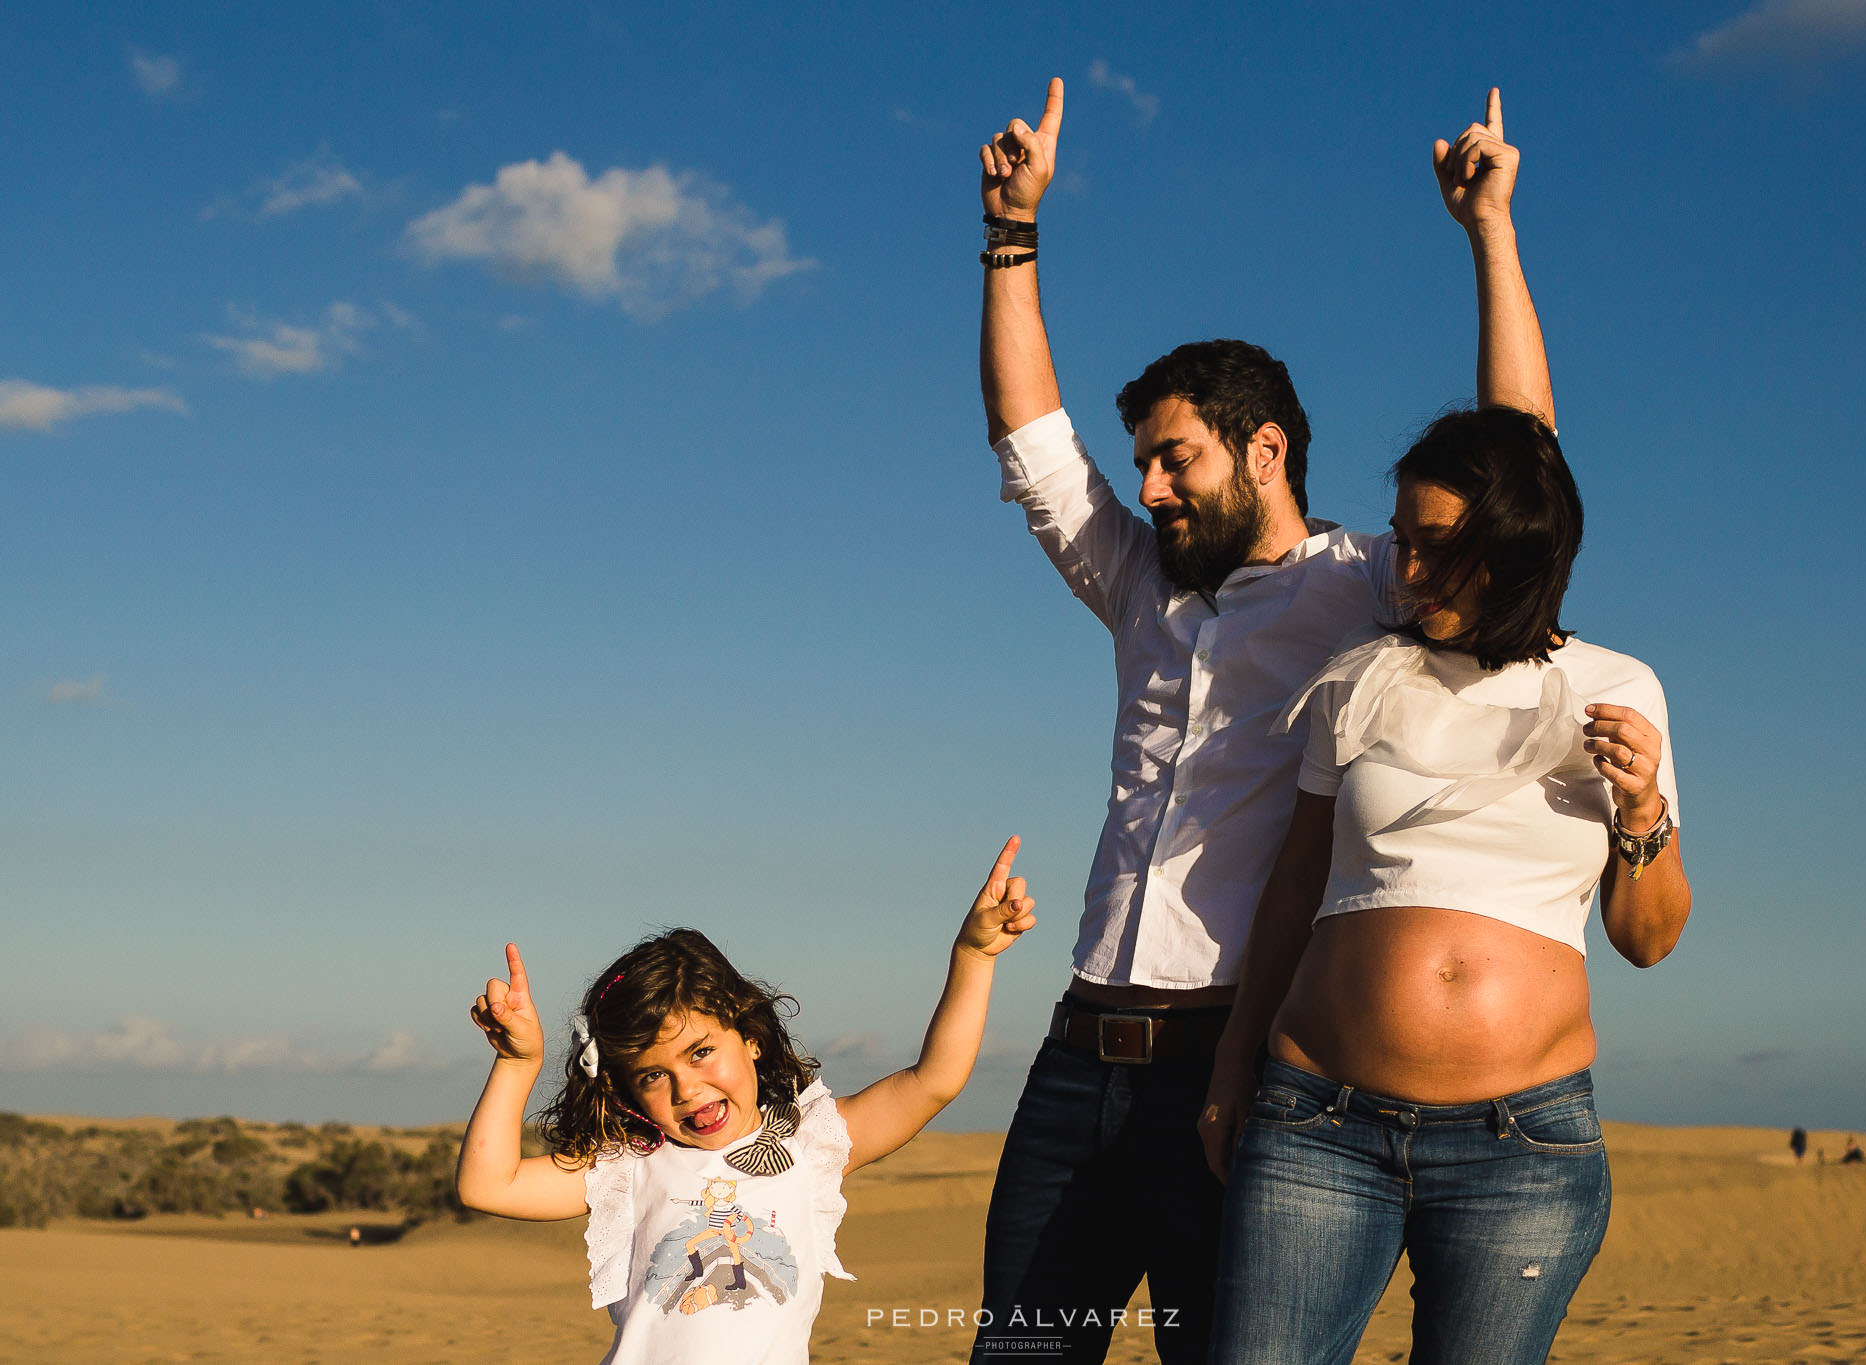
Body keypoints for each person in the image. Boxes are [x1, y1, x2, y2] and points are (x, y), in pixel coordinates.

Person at [972, 77, 1554, 1363]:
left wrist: (1487, 233)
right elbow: (1029, 443)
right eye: (1141, 462)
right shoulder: (1137, 582)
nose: (1147, 487)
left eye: (1174, 456)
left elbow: (1515, 470)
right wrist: (1013, 234)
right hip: (1077, 1056)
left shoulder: (1362, 586)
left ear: (1266, 451)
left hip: (1240, 1070)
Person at [1200, 408, 1694, 1362]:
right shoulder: (1359, 681)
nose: (1408, 572)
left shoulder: (1618, 685)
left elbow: (1649, 937)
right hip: (1315, 1127)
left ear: (1514, 546)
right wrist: (1231, 1068)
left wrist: (1642, 811)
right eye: (1404, 543)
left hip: (1523, 1152)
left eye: (1435, 546)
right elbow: (1296, 885)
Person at [455, 840, 1037, 1364]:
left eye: (702, 1052)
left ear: (752, 1037)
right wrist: (516, 1063)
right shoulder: (628, 1168)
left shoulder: (811, 1145)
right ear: (627, 1090)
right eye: (653, 1076)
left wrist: (974, 957)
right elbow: (487, 1185)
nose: (687, 1088)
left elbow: (934, 1080)